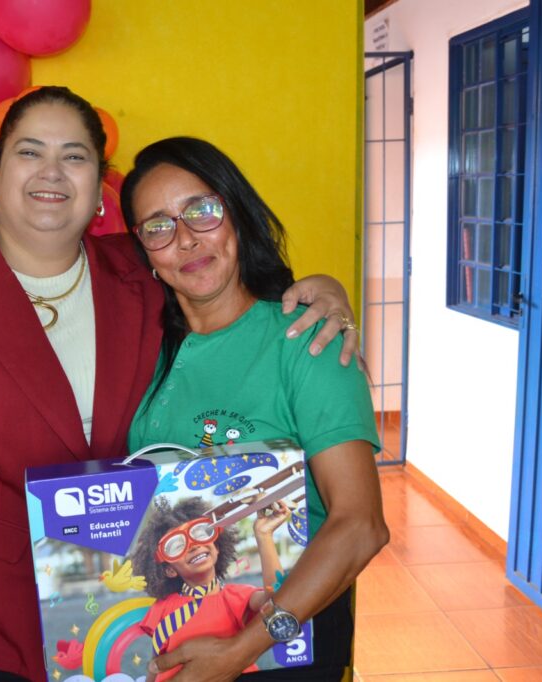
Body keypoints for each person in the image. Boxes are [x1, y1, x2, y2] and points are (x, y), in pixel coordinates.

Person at [0, 86, 362, 682]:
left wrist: (324, 292)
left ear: (98, 185)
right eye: (30, 152)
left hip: (132, 632)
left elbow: (232, 289)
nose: (52, 171)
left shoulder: (141, 271)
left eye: (75, 156)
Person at [122, 136, 389, 681]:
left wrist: (238, 651)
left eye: (202, 211)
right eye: (158, 226)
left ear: (236, 214)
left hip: (286, 642)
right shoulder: (143, 345)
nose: (185, 239)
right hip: (183, 646)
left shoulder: (308, 340)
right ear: (144, 250)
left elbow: (361, 526)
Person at [132, 496, 290, 680]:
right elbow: (156, 663)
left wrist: (264, 535)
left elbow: (278, 600)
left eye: (200, 533)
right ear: (169, 570)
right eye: (176, 546)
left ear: (217, 546)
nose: (193, 545)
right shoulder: (162, 608)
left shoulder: (238, 597)